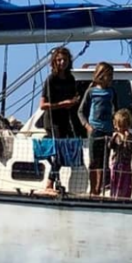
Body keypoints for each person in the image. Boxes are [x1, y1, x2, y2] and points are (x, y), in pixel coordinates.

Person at [39, 46, 80, 193]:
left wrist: (73, 102)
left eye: (64, 60)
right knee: (59, 151)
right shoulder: (51, 80)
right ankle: (50, 183)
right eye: (59, 60)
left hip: (65, 119)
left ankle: (55, 181)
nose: (62, 62)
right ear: (54, 62)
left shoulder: (70, 79)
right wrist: (61, 104)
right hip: (52, 121)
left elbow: (74, 97)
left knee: (64, 151)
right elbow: (42, 105)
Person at [79, 62, 117, 196]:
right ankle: (93, 189)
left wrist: (115, 128)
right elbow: (81, 111)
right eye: (109, 75)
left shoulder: (112, 92)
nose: (111, 78)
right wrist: (87, 126)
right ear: (101, 75)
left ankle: (99, 189)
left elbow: (116, 111)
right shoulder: (91, 91)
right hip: (95, 130)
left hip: (107, 131)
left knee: (104, 161)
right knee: (94, 161)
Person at [109, 108, 132, 200]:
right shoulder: (116, 136)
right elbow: (110, 146)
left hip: (126, 163)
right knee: (115, 180)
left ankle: (125, 198)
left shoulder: (131, 136)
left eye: (124, 126)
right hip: (116, 163)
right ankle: (114, 197)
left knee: (125, 182)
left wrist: (127, 139)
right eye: (120, 126)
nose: (122, 129)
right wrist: (113, 138)